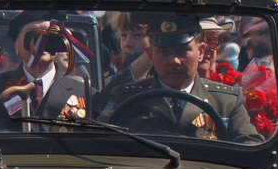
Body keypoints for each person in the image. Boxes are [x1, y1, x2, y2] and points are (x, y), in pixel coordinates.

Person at [99, 14, 260, 137]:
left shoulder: (226, 102)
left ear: (201, 52)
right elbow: (98, 143)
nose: (175, 60)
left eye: (183, 50)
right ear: (150, 56)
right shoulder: (125, 99)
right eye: (163, 51)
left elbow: (251, 147)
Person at [0, 13, 88, 128]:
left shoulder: (83, 92)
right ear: (16, 47)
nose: (41, 43)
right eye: (33, 36)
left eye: (48, 36)